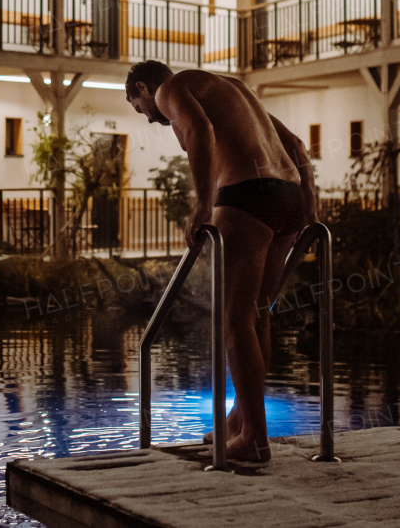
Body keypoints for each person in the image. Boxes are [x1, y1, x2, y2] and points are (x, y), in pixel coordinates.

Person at [125, 60, 317, 463]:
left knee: (233, 321)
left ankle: (255, 440)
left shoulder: (170, 88)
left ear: (144, 88)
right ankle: (239, 421)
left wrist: (201, 205)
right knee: (258, 314)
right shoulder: (234, 90)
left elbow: (200, 132)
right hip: (288, 199)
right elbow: (297, 145)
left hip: (247, 197)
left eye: (139, 108)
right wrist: (311, 213)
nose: (148, 117)